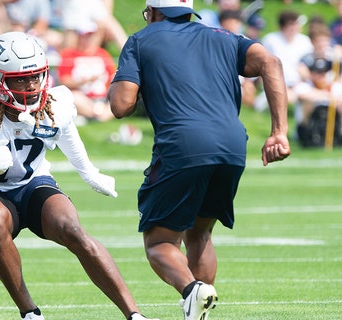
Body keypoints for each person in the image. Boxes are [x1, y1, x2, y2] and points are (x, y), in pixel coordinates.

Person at [0, 31, 157, 320]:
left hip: (33, 184)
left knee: (72, 228)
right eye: (19, 78)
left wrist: (90, 174)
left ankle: (134, 315)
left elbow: (67, 135)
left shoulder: (57, 102)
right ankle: (30, 313)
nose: (30, 85)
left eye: (35, 76)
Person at [107, 1, 291, 320]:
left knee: (159, 241)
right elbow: (271, 62)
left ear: (152, 11)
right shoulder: (224, 36)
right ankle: (198, 310)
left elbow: (121, 105)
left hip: (183, 143)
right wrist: (279, 132)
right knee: (200, 232)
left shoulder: (141, 39)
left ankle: (193, 290)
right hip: (233, 144)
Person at [57, 21, 116, 123]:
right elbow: (64, 81)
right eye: (86, 36)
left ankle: (95, 115)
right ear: (79, 37)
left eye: (91, 36)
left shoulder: (103, 54)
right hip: (82, 97)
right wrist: (85, 81)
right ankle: (97, 115)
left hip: (102, 97)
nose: (89, 39)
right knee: (74, 98)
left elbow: (113, 75)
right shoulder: (69, 55)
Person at [256, 10, 313, 111]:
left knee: (306, 94)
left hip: (299, 83)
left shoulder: (305, 41)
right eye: (291, 25)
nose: (295, 28)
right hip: (275, 82)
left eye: (296, 25)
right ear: (283, 27)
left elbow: (310, 64)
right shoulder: (270, 40)